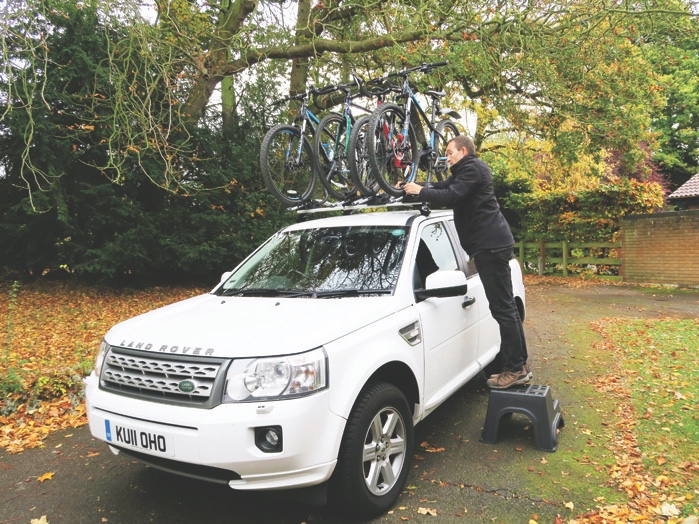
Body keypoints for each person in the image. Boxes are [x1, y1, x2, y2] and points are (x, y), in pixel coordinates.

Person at [402, 135, 530, 389]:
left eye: (449, 152)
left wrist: (421, 191)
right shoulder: (466, 170)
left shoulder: (472, 169)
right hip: (490, 244)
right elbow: (444, 187)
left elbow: (452, 195)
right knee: (506, 309)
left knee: (503, 309)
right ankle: (520, 365)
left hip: (490, 246)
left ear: (462, 151)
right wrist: (414, 188)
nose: (446, 157)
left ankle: (515, 368)